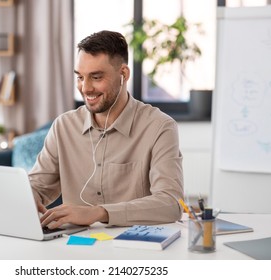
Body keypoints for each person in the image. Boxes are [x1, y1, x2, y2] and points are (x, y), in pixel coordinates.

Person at [29, 30, 183, 229]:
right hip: (73, 248)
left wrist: (99, 213)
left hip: (135, 248)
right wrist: (28, 196)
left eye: (96, 77)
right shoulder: (63, 127)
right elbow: (37, 186)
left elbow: (171, 203)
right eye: (80, 77)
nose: (85, 88)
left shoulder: (160, 127)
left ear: (124, 74)